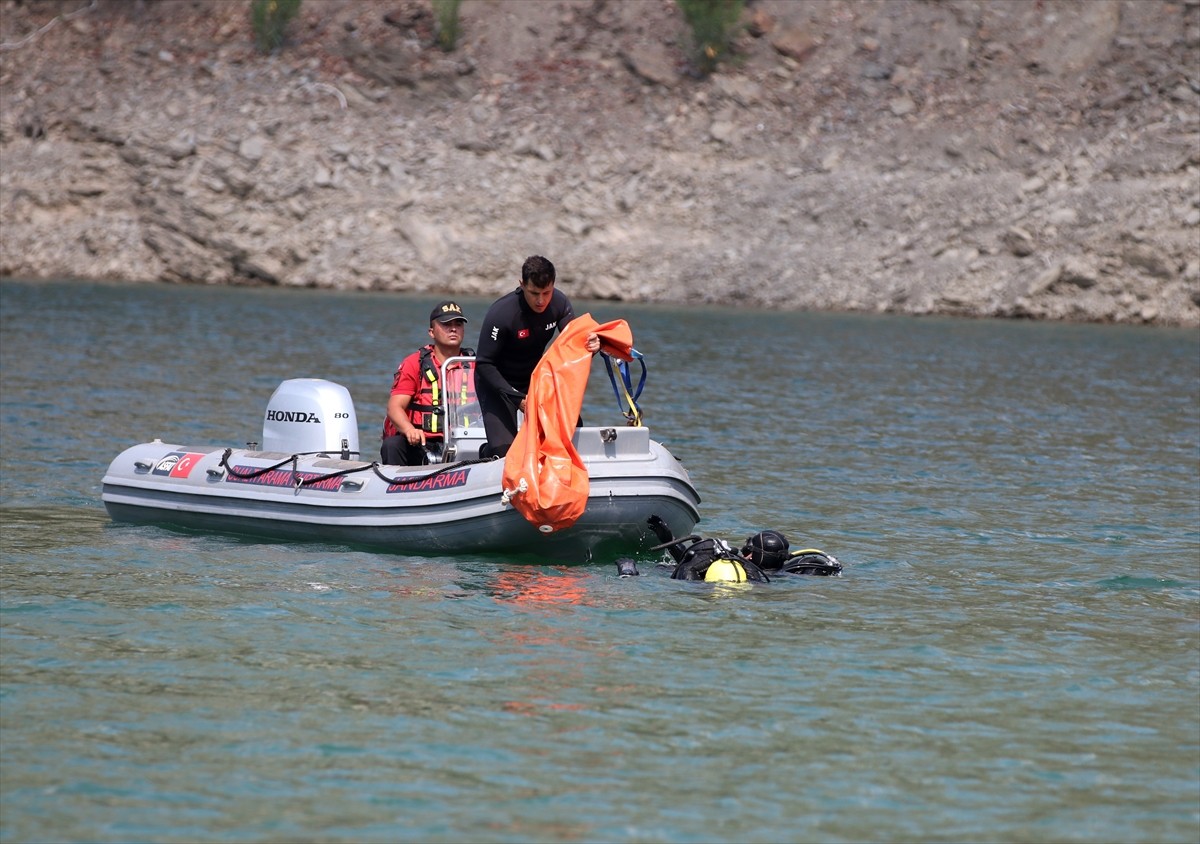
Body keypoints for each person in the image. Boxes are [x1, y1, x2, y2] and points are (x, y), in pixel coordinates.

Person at [474, 255, 600, 459]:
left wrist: (593, 346)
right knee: (505, 453)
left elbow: (574, 345)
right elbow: (484, 364)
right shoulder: (502, 313)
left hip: (533, 379)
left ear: (553, 285)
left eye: (546, 292)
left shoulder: (559, 303)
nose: (541, 301)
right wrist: (518, 399)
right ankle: (485, 452)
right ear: (522, 285)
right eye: (534, 293)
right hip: (497, 384)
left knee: (573, 427)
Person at [380, 300, 473, 465]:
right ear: (431, 332)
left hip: (464, 442)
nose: (453, 329)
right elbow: (394, 407)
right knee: (392, 445)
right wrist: (410, 430)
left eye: (458, 324)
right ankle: (398, 487)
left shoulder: (475, 365)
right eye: (446, 324)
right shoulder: (414, 363)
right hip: (422, 444)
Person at [620, 515, 844, 582]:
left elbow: (690, 565)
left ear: (751, 555)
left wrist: (670, 539)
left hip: (698, 588)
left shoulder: (742, 571)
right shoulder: (789, 572)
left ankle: (628, 576)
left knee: (659, 570)